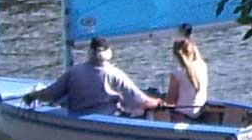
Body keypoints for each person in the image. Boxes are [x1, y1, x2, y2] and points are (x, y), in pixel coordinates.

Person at [23, 36, 161, 117]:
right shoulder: (115, 74)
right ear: (109, 53)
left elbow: (51, 94)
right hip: (106, 120)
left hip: (77, 118)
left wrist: (32, 96)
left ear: (89, 52)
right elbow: (140, 101)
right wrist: (160, 103)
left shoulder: (73, 72)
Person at [162, 25, 209, 120]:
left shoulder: (178, 73)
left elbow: (170, 102)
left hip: (182, 115)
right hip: (197, 113)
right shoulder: (203, 66)